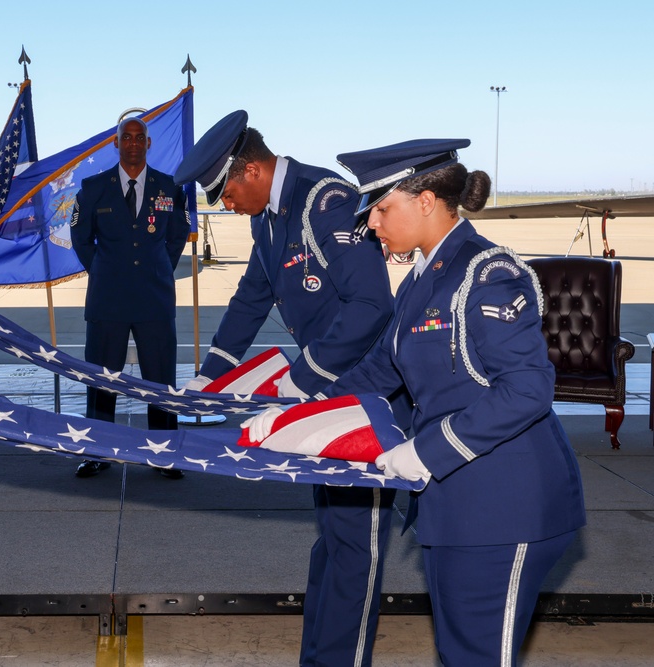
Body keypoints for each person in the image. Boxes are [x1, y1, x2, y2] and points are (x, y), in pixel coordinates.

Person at [247, 139, 586, 666]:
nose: (371, 224)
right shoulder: (423, 279)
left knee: (475, 656)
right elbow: (381, 370)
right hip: (456, 506)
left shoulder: (485, 274)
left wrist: (427, 452)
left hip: (506, 507)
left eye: (382, 209)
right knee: (458, 652)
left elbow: (528, 389)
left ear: (425, 200)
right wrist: (300, 412)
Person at [174, 110, 398, 667]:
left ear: (250, 170)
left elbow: (373, 305)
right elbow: (254, 294)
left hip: (363, 400)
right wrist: (211, 374)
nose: (225, 205)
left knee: (355, 548)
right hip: (327, 398)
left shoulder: (326, 202)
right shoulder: (269, 216)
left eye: (225, 192)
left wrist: (302, 380)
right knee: (333, 540)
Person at [69, 115, 190, 479]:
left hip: (155, 298)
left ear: (148, 144)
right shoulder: (93, 188)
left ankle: (164, 453)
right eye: (127, 137)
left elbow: (177, 237)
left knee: (160, 379)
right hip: (108, 301)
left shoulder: (169, 188)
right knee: (103, 379)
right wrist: (108, 272)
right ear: (116, 143)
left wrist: (154, 269)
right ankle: (98, 451)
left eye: (140, 138)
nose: (134, 143)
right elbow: (80, 239)